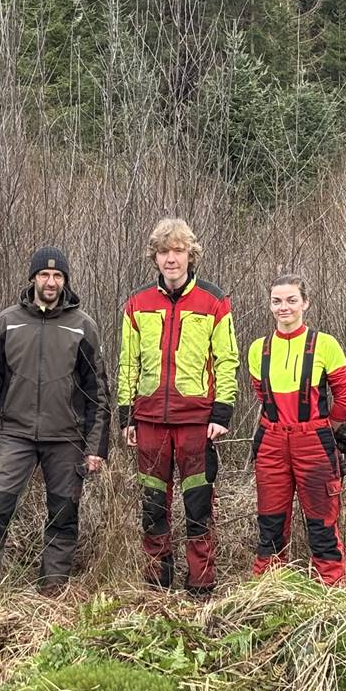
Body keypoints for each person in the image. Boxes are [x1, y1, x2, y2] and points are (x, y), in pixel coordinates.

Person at [0, 247, 111, 595]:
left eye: (58, 276)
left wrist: (96, 447)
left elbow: (98, 392)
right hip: (14, 434)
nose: (51, 282)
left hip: (66, 438)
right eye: (44, 275)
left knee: (63, 518)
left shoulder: (82, 326)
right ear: (32, 278)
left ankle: (51, 595)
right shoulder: (7, 321)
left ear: (65, 281)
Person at [117, 219, 239, 598]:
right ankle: (157, 584)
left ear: (190, 254)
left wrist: (222, 413)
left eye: (178, 251)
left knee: (199, 506)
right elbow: (128, 362)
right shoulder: (137, 302)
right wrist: (126, 414)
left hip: (197, 424)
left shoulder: (214, 300)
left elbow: (227, 360)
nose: (171, 259)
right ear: (155, 256)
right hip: (150, 421)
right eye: (164, 252)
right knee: (153, 506)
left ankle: (201, 584)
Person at [248, 273, 346, 586]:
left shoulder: (325, 345)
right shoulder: (258, 349)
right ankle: (267, 592)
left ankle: (331, 591)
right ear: (270, 306)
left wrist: (323, 429)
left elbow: (344, 400)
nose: (284, 307)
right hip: (272, 442)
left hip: (314, 442)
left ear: (305, 303)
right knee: (270, 523)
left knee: (322, 523)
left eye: (291, 300)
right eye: (277, 301)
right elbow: (261, 396)